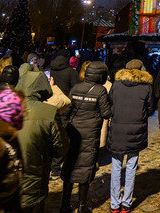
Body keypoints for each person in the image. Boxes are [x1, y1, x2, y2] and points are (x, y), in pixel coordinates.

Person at [60, 61, 113, 213]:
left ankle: (64, 205)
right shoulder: (100, 90)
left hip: (73, 132)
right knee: (86, 168)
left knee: (69, 166)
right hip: (90, 134)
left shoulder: (76, 87)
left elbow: (67, 110)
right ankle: (82, 206)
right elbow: (106, 113)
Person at [16, 68, 67, 212]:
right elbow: (61, 147)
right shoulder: (48, 112)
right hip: (35, 177)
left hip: (8, 181)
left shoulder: (3, 107)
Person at [107, 59, 154, 213]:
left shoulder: (117, 85)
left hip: (118, 130)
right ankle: (126, 203)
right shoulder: (146, 87)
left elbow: (110, 103)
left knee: (116, 167)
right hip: (136, 131)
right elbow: (151, 108)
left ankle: (115, 203)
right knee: (131, 168)